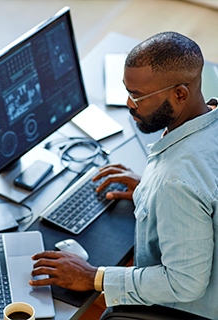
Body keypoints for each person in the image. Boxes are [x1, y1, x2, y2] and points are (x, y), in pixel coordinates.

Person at [29, 31, 218, 319]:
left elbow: (185, 284)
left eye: (138, 96)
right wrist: (149, 190)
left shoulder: (176, 181)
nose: (129, 104)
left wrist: (94, 276)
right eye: (127, 91)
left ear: (180, 94)